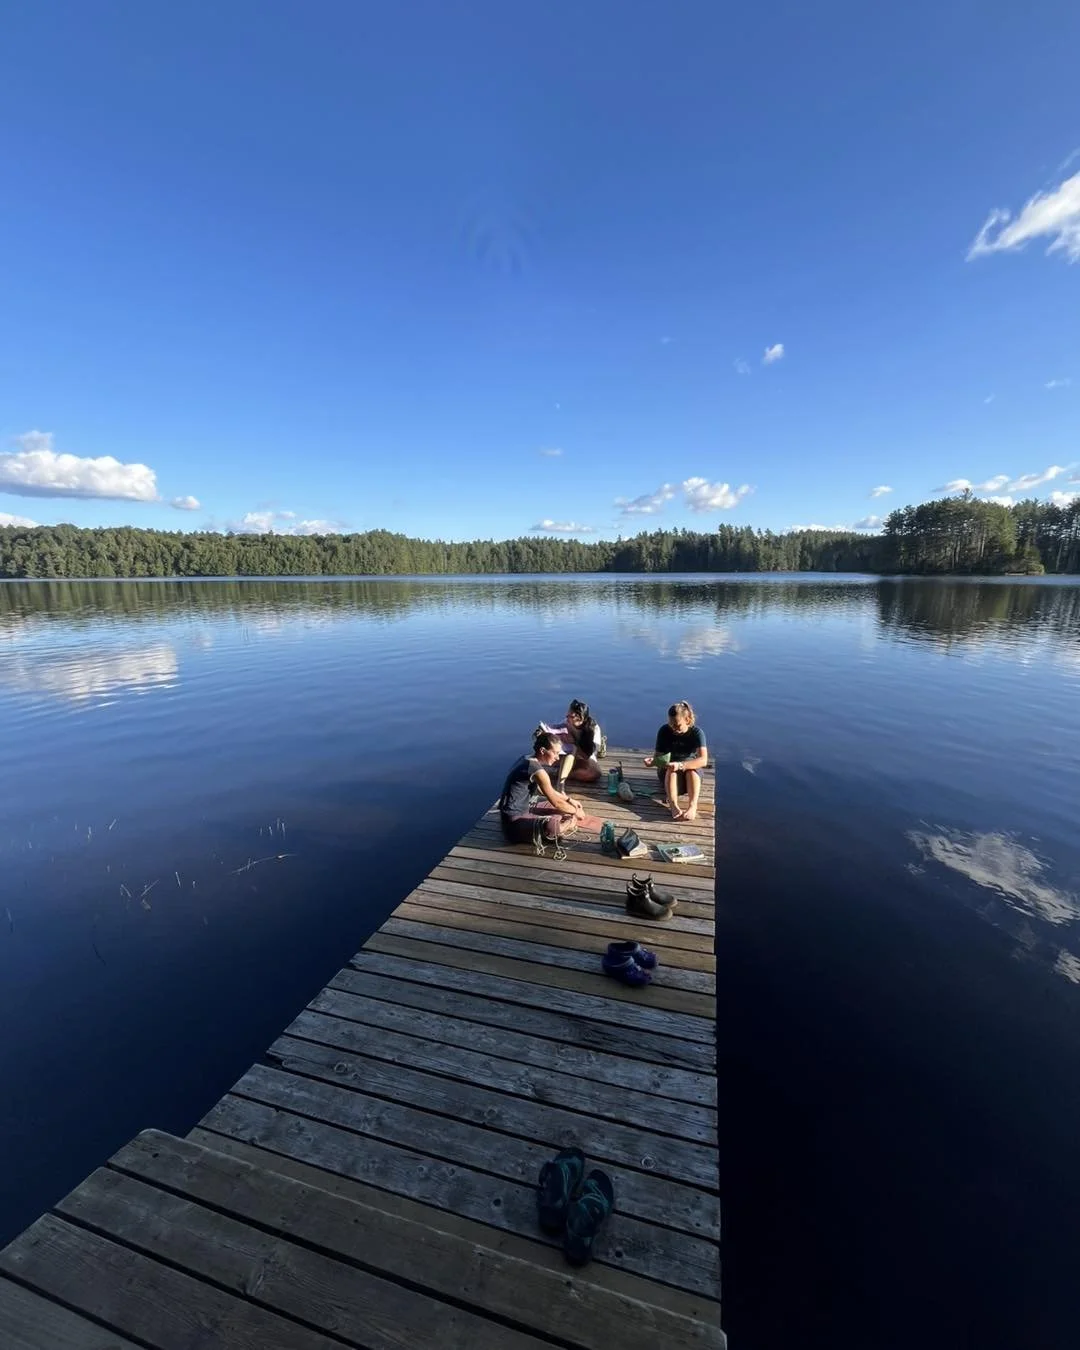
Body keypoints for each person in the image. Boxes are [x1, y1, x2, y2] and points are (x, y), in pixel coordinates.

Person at [499, 729, 586, 847]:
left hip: (523, 808)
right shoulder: (537, 771)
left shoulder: (526, 758)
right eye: (555, 753)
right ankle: (569, 824)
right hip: (513, 821)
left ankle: (552, 818)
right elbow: (556, 803)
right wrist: (575, 812)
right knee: (552, 827)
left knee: (558, 808)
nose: (557, 758)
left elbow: (548, 792)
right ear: (543, 751)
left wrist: (570, 800)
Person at [643, 701, 707, 820]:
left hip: (690, 774)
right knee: (671, 771)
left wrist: (681, 765)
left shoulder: (697, 733)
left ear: (687, 720)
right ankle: (673, 805)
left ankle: (692, 806)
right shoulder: (664, 731)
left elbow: (703, 760)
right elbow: (658, 758)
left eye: (677, 725)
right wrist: (652, 762)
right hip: (669, 774)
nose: (674, 729)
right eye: (671, 725)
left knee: (691, 771)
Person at [541, 699, 603, 791]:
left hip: (584, 758)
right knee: (566, 750)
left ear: (580, 719)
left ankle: (557, 773)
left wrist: (575, 744)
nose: (567, 717)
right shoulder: (566, 722)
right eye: (567, 714)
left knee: (595, 773)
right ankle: (560, 782)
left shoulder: (593, 729)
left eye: (571, 716)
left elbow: (590, 754)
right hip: (565, 756)